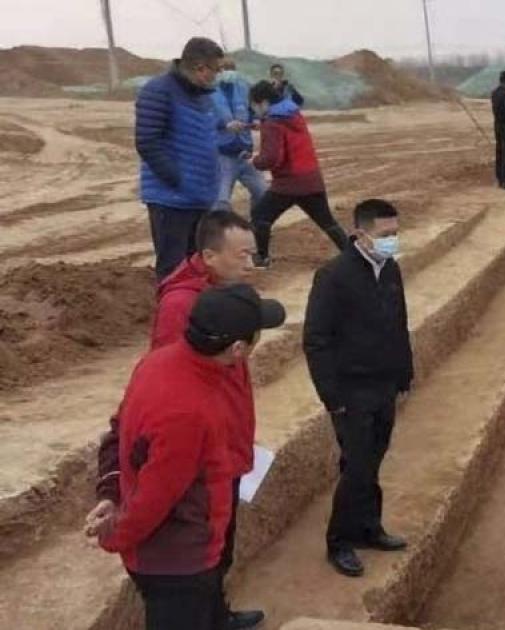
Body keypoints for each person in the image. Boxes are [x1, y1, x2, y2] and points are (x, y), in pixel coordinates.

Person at [90, 211, 265, 629]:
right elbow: (159, 486)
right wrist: (116, 532)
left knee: (211, 575)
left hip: (215, 466)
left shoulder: (207, 322)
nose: (250, 265)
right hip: (180, 551)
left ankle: (216, 617)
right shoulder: (188, 399)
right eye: (242, 255)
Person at [303, 199, 414, 578]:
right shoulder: (334, 276)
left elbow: (399, 323)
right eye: (385, 235)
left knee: (374, 459)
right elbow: (316, 340)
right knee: (358, 466)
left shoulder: (391, 270)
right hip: (351, 392)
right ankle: (340, 541)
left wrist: (404, 374)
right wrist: (332, 397)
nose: (392, 241)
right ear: (360, 234)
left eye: (395, 234)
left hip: (384, 385)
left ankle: (369, 528)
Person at [136, 37, 224, 280]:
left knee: (197, 267)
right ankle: (172, 316)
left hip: (199, 198)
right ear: (200, 68)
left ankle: (193, 315)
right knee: (173, 270)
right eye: (215, 70)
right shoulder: (158, 91)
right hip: (171, 200)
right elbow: (147, 142)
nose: (216, 76)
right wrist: (177, 179)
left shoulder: (202, 95)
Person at [247, 80, 348, 268]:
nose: (253, 110)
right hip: (311, 179)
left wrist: (254, 161)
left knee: (260, 217)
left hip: (288, 183)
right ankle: (354, 257)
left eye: (254, 105)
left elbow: (271, 158)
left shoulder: (272, 123)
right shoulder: (293, 115)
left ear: (264, 103)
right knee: (328, 222)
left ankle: (261, 258)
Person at [211, 59, 267, 214]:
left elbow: (251, 110)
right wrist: (224, 125)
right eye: (224, 69)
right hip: (223, 155)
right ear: (217, 71)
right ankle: (219, 234)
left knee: (263, 193)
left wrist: (255, 121)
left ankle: (256, 225)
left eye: (231, 69)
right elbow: (203, 120)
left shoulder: (242, 88)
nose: (229, 73)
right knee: (221, 202)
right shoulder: (208, 92)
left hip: (245, 154)